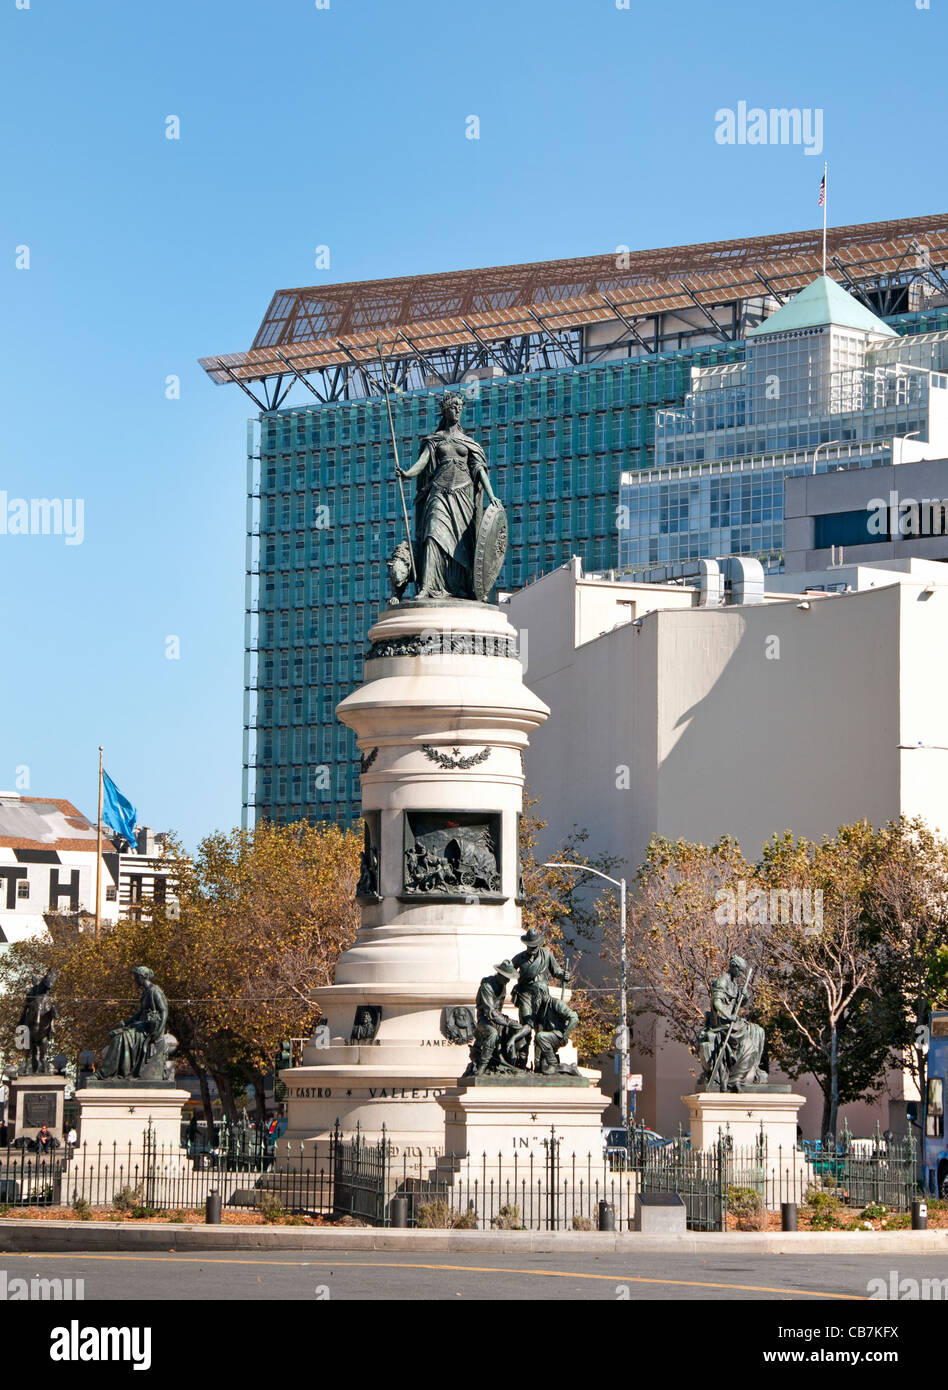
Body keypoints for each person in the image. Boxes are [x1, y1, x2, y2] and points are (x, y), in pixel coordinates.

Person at [397, 391, 499, 600]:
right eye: (453, 406)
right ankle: (427, 586)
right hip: (439, 493)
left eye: (460, 406)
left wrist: (491, 495)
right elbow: (423, 463)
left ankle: (462, 587)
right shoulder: (435, 440)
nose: (458, 410)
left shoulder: (469, 443)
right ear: (444, 410)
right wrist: (407, 473)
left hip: (464, 495)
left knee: (464, 543)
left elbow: (479, 470)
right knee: (433, 534)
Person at [97, 966, 169, 1080]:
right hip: (142, 1026)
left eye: (136, 977)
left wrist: (159, 1031)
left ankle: (107, 1073)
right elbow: (141, 1012)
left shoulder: (155, 991)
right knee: (116, 1034)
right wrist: (127, 1022)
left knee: (120, 1038)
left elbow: (164, 1010)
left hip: (149, 1030)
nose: (134, 980)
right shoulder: (145, 992)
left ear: (142, 977)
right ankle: (118, 1071)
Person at [469, 962, 520, 1074]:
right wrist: (507, 1022)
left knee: (517, 1027)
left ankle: (514, 1063)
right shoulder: (487, 987)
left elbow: (498, 1011)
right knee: (493, 1034)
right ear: (500, 974)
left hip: (497, 1019)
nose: (508, 981)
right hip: (484, 1020)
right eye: (506, 978)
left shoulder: (503, 986)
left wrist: (510, 1023)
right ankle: (483, 1065)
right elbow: (490, 1012)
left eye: (509, 978)